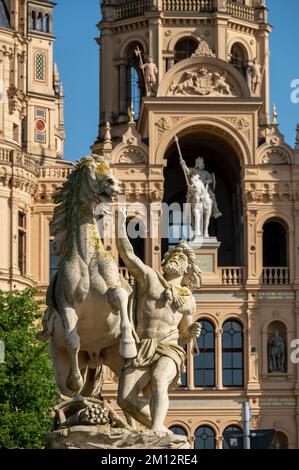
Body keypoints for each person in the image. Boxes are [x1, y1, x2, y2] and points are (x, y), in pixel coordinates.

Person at [116, 209, 202, 435]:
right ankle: (163, 430)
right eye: (172, 256)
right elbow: (129, 256)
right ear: (164, 262)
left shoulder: (188, 300)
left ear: (186, 268)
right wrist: (118, 225)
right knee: (125, 399)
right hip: (143, 347)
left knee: (158, 379)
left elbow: (183, 335)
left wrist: (190, 333)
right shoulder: (150, 279)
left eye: (180, 258)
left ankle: (155, 430)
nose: (175, 259)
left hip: (169, 349)